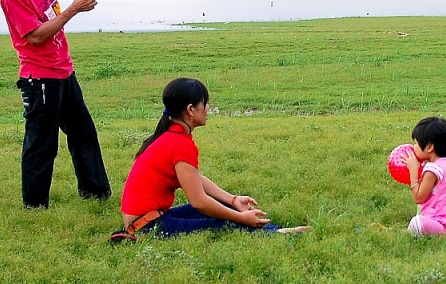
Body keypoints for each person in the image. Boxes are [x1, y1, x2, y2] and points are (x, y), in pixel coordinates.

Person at [0, 0, 147, 208]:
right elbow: (35, 36)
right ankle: (35, 206)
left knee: (84, 135)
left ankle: (96, 195)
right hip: (39, 79)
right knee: (42, 145)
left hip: (64, 73)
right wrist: (73, 10)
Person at [113, 77, 308, 240]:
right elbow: (199, 202)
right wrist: (240, 218)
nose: (208, 109)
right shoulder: (179, 143)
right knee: (222, 222)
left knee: (223, 207)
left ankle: (271, 229)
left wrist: (233, 200)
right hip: (148, 226)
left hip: (147, 220)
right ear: (191, 110)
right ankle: (277, 234)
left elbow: (195, 179)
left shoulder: (172, 135)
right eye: (204, 104)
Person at [401, 116, 446, 238]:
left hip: (445, 226)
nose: (413, 147)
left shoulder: (433, 170)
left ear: (429, 147)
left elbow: (419, 197)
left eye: (416, 143)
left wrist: (413, 171)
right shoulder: (444, 163)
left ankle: (445, 234)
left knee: (417, 222)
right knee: (419, 218)